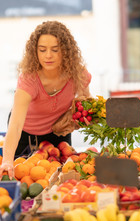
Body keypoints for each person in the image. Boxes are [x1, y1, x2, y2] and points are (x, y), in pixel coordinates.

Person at [0, 21, 92, 179]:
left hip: (59, 136)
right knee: (30, 181)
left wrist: (76, 119)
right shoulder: (29, 79)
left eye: (55, 50)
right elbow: (15, 126)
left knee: (61, 179)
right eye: (42, 50)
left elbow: (86, 105)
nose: (48, 55)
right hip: (27, 137)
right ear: (35, 51)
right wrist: (7, 160)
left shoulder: (78, 74)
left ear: (65, 51)